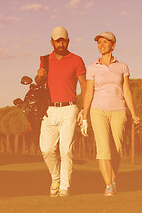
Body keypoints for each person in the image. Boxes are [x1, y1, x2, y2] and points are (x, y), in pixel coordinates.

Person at [81, 31, 140, 196]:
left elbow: (126, 91)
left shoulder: (122, 67)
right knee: (103, 149)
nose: (101, 45)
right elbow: (88, 93)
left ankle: (113, 180)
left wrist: (134, 115)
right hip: (98, 110)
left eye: (105, 42)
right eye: (99, 42)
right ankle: (108, 185)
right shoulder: (92, 68)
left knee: (117, 151)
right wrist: (84, 117)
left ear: (113, 45)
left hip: (119, 110)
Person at [35, 26, 87, 197]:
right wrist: (39, 76)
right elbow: (39, 81)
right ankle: (55, 178)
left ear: (68, 41)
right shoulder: (45, 60)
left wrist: (84, 112)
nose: (60, 43)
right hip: (49, 110)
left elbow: (84, 85)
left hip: (70, 109)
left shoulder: (77, 60)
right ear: (52, 42)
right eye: (57, 40)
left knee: (66, 151)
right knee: (47, 150)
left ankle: (64, 187)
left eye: (63, 40)